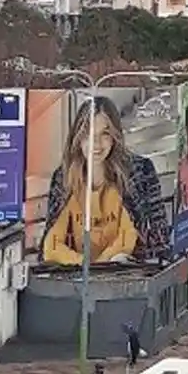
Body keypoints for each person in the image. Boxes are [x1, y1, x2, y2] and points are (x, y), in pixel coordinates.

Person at [41, 96, 170, 266]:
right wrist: (84, 265)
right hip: (75, 278)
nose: (96, 144)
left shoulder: (138, 172)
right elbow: (52, 246)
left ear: (115, 136)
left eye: (105, 134)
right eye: (88, 134)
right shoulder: (64, 177)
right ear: (77, 137)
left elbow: (130, 238)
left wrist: (99, 267)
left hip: (126, 275)